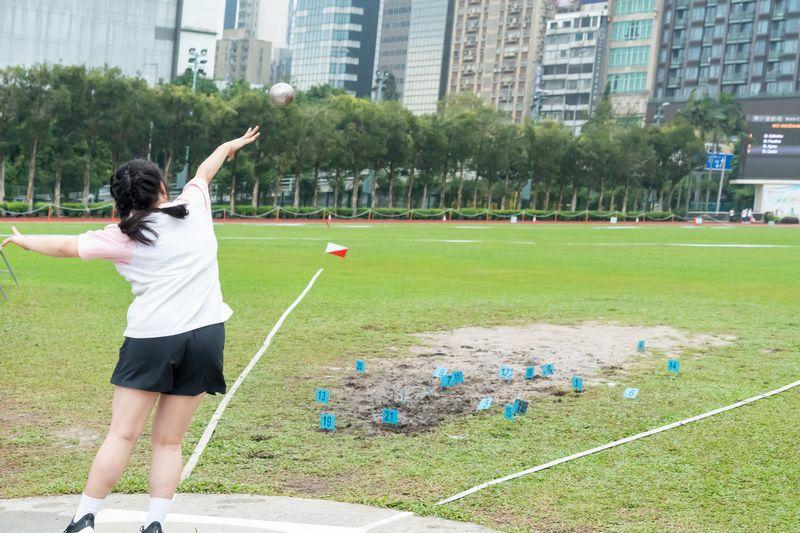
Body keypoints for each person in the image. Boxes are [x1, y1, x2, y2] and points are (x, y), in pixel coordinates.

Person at [2, 127, 260, 533]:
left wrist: (23, 240)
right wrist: (228, 147)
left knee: (122, 435)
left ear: (120, 201)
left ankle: (84, 520)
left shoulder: (124, 236)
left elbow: (67, 247)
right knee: (169, 441)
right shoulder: (193, 206)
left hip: (152, 340)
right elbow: (204, 172)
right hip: (207, 337)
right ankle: (154, 524)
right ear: (162, 187)